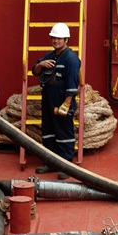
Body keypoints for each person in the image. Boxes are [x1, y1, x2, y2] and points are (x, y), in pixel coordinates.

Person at [31, 22, 81, 180]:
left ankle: (66, 165)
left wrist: (66, 104)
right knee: (48, 132)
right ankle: (50, 162)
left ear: (66, 39)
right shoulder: (51, 55)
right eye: (53, 38)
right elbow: (35, 71)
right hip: (48, 100)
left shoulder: (71, 59)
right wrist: (41, 64)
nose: (55, 41)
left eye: (59, 38)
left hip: (61, 101)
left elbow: (73, 84)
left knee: (64, 133)